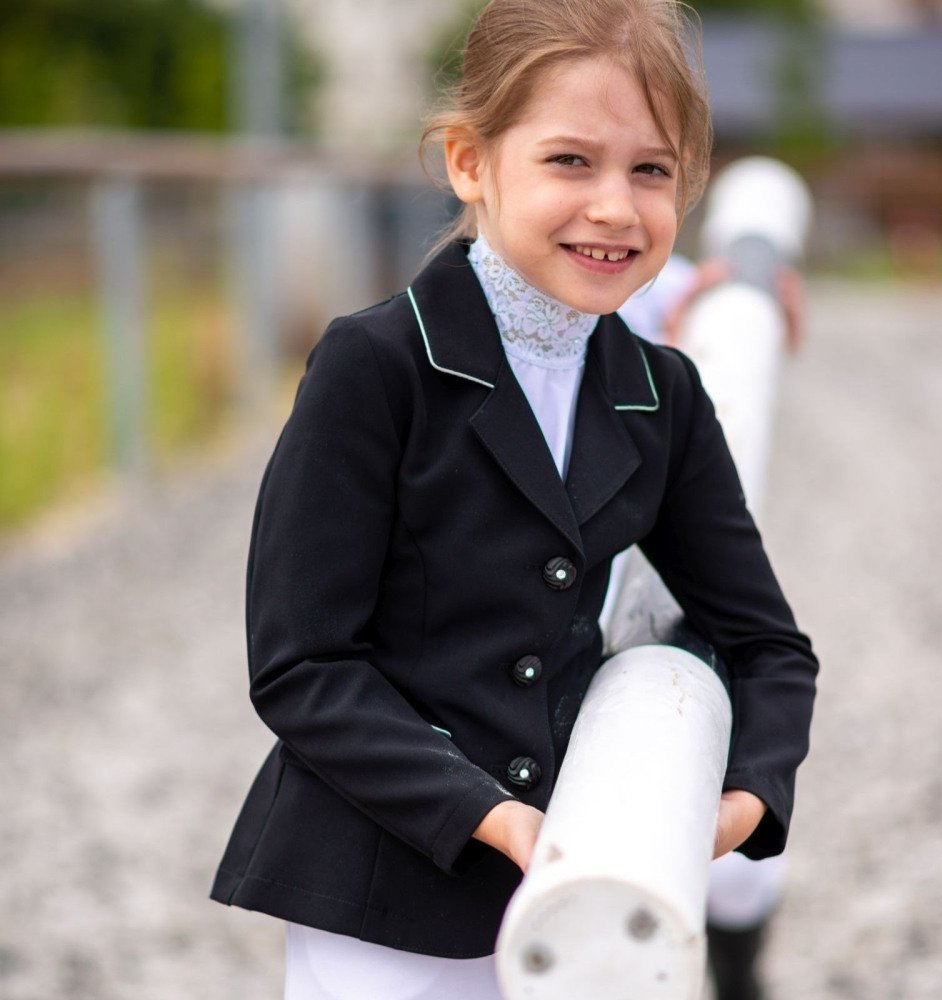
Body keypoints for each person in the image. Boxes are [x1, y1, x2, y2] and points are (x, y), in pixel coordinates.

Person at [210, 2, 819, 997]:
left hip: (589, 901)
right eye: (570, 162)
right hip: (387, 892)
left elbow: (768, 648)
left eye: (651, 170)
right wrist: (493, 816)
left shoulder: (663, 395)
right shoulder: (373, 366)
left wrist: (736, 802)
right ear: (468, 161)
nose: (615, 207)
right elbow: (302, 663)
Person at [618, 254, 804, 1000]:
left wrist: (744, 305)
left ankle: (737, 975)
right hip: (547, 608)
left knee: (728, 848)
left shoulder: (662, 282)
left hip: (673, 587)